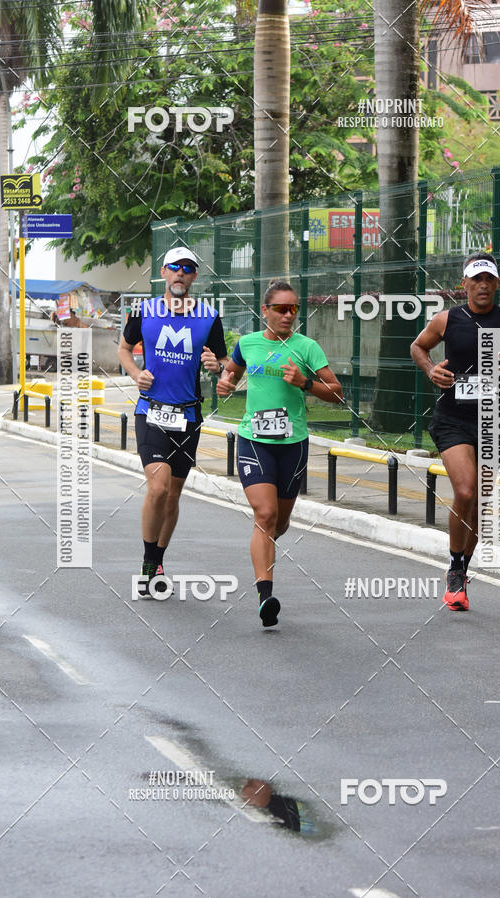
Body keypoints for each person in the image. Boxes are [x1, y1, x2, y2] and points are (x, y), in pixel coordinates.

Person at [410, 252, 500, 611]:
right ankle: (454, 566)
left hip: (490, 420)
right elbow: (418, 346)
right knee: (465, 490)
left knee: (482, 502)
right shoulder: (447, 319)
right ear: (464, 284)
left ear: (497, 284)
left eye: (490, 280)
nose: (483, 286)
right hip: (452, 418)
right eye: (476, 279)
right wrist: (430, 369)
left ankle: (462, 574)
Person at [216, 280, 343, 627]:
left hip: (293, 443)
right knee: (265, 513)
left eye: (294, 309)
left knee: (279, 522)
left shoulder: (307, 347)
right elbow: (231, 374)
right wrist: (225, 383)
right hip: (253, 440)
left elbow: (337, 393)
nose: (288, 315)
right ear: (265, 311)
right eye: (281, 309)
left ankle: (266, 544)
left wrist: (305, 383)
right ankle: (265, 596)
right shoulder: (247, 344)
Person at [118, 246, 229, 595]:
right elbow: (123, 348)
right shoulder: (143, 311)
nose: (181, 273)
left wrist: (218, 368)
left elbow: (225, 363)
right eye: (174, 267)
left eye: (188, 268)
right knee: (159, 486)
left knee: (173, 495)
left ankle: (159, 557)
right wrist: (136, 373)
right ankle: (148, 562)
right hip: (150, 411)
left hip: (188, 415)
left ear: (195, 276)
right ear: (163, 272)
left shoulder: (209, 317)